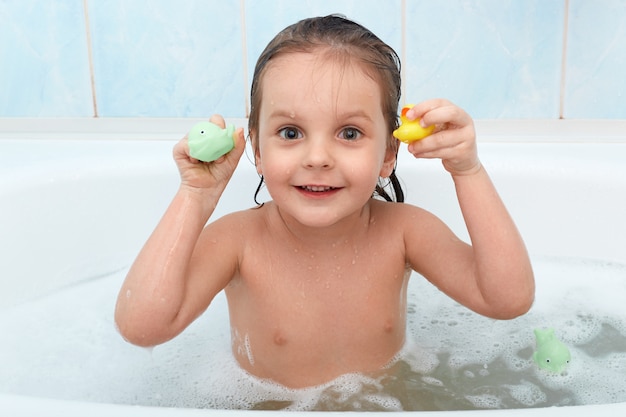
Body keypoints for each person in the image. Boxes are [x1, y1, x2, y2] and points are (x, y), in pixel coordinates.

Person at [115, 15, 534, 389]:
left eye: (349, 133)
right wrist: (196, 195)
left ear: (388, 153)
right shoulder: (238, 242)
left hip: (383, 400)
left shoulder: (405, 232)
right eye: (291, 133)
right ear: (257, 149)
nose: (317, 158)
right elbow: (142, 327)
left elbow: (506, 299)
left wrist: (467, 171)